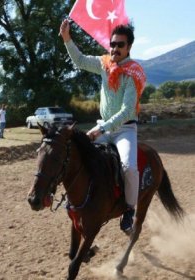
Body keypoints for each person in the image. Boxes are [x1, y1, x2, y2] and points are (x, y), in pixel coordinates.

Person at [60, 20, 146, 233]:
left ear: (129, 47)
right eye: (113, 44)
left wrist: (102, 129)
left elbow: (127, 111)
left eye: (120, 45)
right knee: (76, 154)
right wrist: (67, 38)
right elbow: (79, 60)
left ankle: (129, 210)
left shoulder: (133, 73)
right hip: (103, 127)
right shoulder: (104, 63)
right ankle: (76, 200)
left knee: (129, 168)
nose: (115, 48)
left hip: (124, 130)